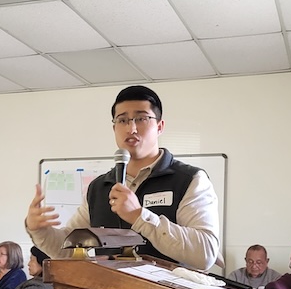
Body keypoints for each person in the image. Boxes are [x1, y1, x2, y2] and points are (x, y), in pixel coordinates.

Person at [25, 85, 220, 271]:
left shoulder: (189, 180)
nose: (131, 128)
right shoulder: (99, 187)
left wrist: (139, 216)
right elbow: (68, 249)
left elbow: (205, 253)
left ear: (160, 126)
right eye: (123, 120)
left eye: (141, 119)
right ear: (114, 128)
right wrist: (38, 230)